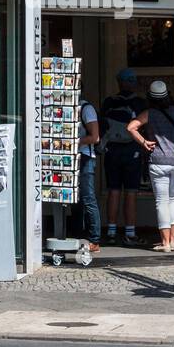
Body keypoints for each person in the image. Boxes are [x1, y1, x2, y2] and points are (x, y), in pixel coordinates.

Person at [127, 81, 174, 252]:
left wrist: (144, 142)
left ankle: (165, 243)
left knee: (162, 201)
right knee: (172, 200)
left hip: (159, 161)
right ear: (168, 95)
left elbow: (131, 127)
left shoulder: (149, 114)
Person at [100, 68, 147, 246]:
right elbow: (145, 127)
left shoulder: (109, 102)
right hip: (132, 150)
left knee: (113, 190)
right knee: (131, 192)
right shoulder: (140, 103)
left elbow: (103, 124)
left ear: (119, 83)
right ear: (131, 83)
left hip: (112, 150)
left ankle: (111, 231)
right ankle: (130, 232)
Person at [79, 95, 101, 253]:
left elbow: (95, 137)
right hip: (73, 156)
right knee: (78, 199)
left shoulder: (87, 108)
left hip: (85, 156)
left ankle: (95, 239)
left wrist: (72, 141)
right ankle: (79, 233)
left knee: (88, 198)